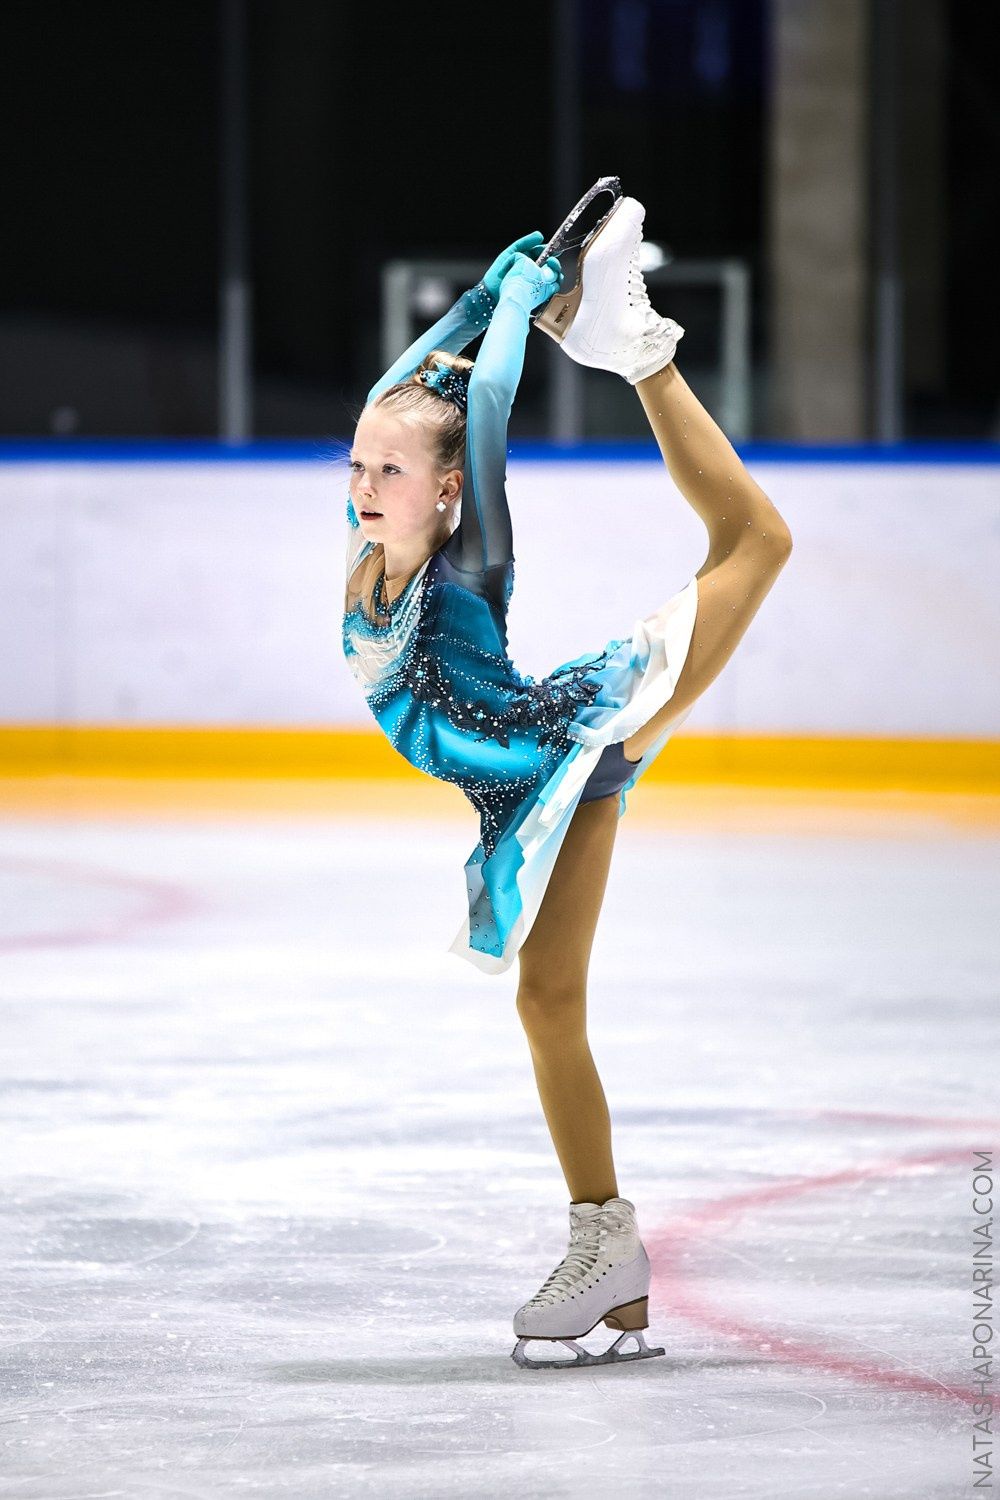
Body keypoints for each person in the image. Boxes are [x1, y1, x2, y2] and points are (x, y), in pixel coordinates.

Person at [342, 182, 793, 1369]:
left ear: (446, 493)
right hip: (517, 799)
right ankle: (617, 1270)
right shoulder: (368, 558)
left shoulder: (466, 558)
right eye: (356, 469)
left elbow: (483, 401)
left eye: (386, 475)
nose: (361, 488)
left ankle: (637, 353)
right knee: (545, 1003)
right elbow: (415, 389)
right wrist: (485, 296)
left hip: (575, 742)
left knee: (759, 543)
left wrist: (522, 310)